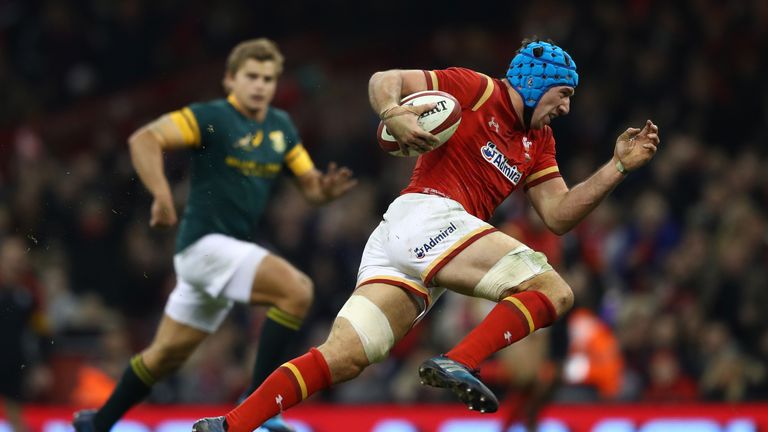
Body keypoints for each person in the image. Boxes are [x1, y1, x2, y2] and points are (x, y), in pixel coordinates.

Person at [192, 37, 660, 432]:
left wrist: (618, 167)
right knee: (553, 290)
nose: (566, 106)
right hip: (429, 216)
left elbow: (558, 213)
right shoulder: (476, 89)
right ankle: (460, 360)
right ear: (535, 84)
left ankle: (230, 425)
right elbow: (384, 80)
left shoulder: (539, 144)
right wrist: (393, 112)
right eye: (563, 93)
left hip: (418, 241)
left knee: (346, 357)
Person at [72, 38, 356, 432]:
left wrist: (323, 191)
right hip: (205, 245)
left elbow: (308, 184)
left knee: (164, 356)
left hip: (226, 254)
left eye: (268, 79)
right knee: (297, 290)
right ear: (230, 80)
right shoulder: (211, 117)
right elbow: (144, 139)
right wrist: (160, 195)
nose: (260, 85)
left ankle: (98, 422)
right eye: (251, 77)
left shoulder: (281, 127)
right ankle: (259, 403)